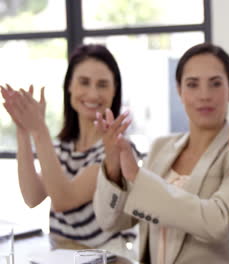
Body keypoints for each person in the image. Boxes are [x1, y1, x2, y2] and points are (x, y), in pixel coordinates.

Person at [93, 43, 229, 264]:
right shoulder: (160, 148)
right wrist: (112, 165)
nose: (204, 95)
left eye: (215, 84)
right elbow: (111, 221)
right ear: (179, 91)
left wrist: (138, 178)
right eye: (192, 84)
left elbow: (220, 223)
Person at [0, 44, 140, 252]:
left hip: (103, 257)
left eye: (102, 85)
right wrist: (23, 129)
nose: (93, 94)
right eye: (84, 82)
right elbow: (32, 196)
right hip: (61, 252)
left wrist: (39, 130)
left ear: (114, 91)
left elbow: (63, 200)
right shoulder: (63, 146)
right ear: (69, 86)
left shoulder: (117, 149)